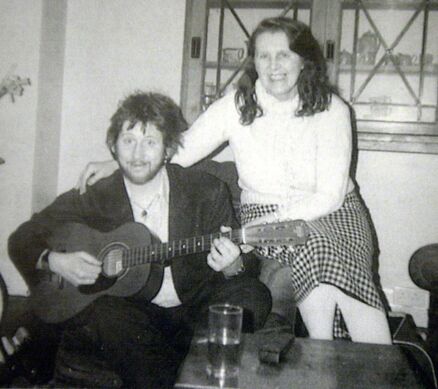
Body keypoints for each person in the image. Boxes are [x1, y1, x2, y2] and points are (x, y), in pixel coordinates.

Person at [76, 17, 391, 344]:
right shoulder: (237, 106)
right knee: (316, 249)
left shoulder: (332, 110)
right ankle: (329, 354)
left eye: (283, 55)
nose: (273, 65)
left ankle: (379, 361)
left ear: (303, 60)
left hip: (335, 213)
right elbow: (182, 149)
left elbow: (329, 197)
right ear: (254, 61)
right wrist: (120, 164)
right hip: (264, 215)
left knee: (324, 246)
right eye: (263, 56)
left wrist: (268, 223)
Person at [8, 92, 271, 388]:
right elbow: (22, 238)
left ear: (168, 148)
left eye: (150, 142)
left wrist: (233, 265)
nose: (137, 154)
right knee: (104, 312)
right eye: (128, 141)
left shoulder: (207, 190)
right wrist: (54, 260)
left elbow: (245, 268)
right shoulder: (96, 195)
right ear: (113, 147)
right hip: (132, 319)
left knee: (253, 293)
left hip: (195, 312)